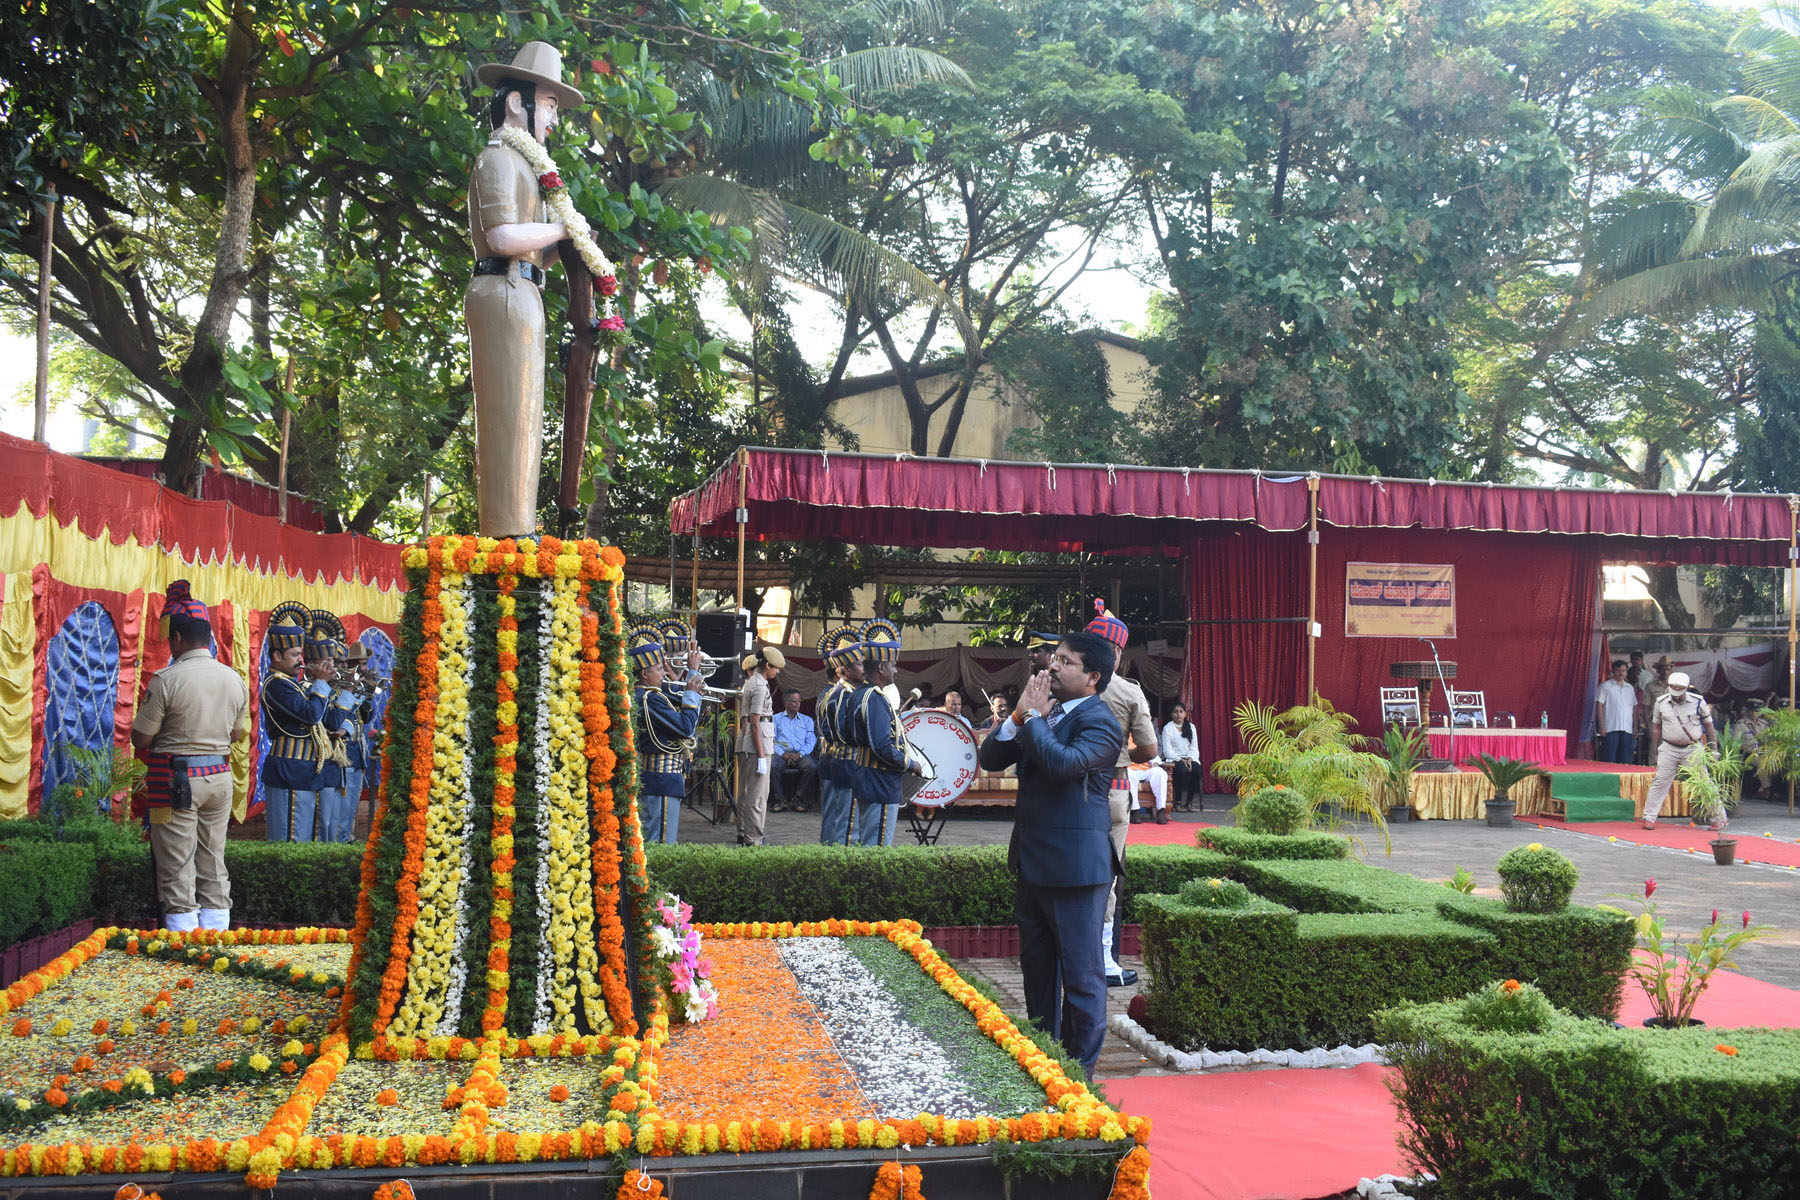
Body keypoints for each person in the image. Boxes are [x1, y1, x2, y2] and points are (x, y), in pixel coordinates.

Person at [976, 631, 1123, 1080]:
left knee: (1082, 979)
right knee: (1038, 974)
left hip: (1077, 870)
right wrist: (1019, 716)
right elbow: (992, 758)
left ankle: (1078, 1079)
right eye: (1053, 658)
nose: (1052, 667)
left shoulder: (1101, 722)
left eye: (1066, 662)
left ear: (1093, 677)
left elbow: (1062, 765)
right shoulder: (1046, 712)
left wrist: (1036, 720)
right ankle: (1043, 1062)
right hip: (1033, 862)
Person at [466, 42, 586, 537]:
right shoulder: (498, 159)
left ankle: (520, 524)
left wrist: (573, 242)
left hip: (525, 293)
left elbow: (532, 251)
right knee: (508, 417)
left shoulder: (528, 169)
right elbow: (501, 238)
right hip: (502, 291)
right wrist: (562, 231)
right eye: (551, 104)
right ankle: (506, 531)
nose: (554, 117)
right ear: (518, 103)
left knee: (527, 417)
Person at [131, 582, 250, 932]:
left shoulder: (166, 679)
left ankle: (183, 938)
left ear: (178, 638)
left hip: (178, 780)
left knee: (176, 861)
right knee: (213, 857)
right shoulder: (233, 678)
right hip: (219, 778)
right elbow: (238, 733)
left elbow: (141, 738)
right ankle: (216, 932)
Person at [1083, 602, 1159, 990]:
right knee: (1107, 877)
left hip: (1069, 788)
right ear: (1116, 651)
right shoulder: (1127, 691)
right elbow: (1149, 751)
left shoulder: (1068, 682)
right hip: (1112, 787)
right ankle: (1104, 962)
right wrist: (1118, 754)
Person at [846, 619, 924, 846]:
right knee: (877, 846)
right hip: (879, 780)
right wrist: (910, 764)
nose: (896, 669)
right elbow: (881, 745)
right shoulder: (875, 698)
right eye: (892, 665)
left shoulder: (859, 693)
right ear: (881, 667)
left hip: (867, 776)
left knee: (869, 841)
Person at [260, 612, 332, 842]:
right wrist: (320, 682)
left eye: (300, 654)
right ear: (277, 655)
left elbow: (325, 717)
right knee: (289, 837)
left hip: (304, 769)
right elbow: (311, 714)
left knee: (305, 837)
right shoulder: (276, 685)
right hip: (289, 768)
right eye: (295, 655)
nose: (301, 660)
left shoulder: (294, 684)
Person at [630, 623, 704, 844]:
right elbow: (685, 727)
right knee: (661, 843)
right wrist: (691, 692)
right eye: (659, 669)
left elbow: (673, 699)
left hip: (662, 780)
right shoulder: (648, 698)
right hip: (661, 781)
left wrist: (691, 677)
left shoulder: (652, 695)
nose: (664, 673)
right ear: (645, 673)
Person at [1643, 671, 1719, 830]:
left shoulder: (1698, 702)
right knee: (1660, 781)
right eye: (1673, 690)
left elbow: (1710, 727)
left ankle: (1718, 818)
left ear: (1685, 688)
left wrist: (1713, 749)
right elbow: (1656, 728)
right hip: (1669, 747)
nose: (1676, 695)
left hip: (1692, 748)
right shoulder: (1661, 702)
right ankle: (1649, 818)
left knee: (1704, 782)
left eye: (1679, 691)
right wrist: (1656, 750)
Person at [815, 626, 863, 844]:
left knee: (835, 812)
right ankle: (830, 852)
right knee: (842, 814)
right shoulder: (838, 694)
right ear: (841, 670)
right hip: (839, 758)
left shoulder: (832, 693)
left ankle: (828, 848)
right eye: (859, 664)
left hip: (832, 757)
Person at [733, 645, 785, 846]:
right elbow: (755, 722)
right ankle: (754, 838)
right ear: (768, 665)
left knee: (747, 792)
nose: (777, 672)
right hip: (758, 744)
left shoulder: (752, 682)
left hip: (753, 743)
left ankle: (744, 831)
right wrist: (762, 756)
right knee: (758, 796)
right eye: (776, 668)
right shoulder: (760, 686)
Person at [771, 689, 819, 812]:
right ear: (785, 703)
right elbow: (772, 740)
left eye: (799, 701)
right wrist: (783, 754)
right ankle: (779, 800)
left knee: (812, 767)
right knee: (772, 765)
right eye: (793, 701)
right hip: (781, 754)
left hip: (800, 754)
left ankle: (798, 798)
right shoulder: (775, 719)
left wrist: (800, 754)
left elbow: (810, 741)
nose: (797, 703)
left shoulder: (807, 720)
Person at [1594, 659, 1639, 765]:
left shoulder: (1630, 688)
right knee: (1609, 759)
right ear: (1613, 671)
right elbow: (1599, 706)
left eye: (1623, 670)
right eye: (1618, 670)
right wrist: (1601, 725)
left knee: (1625, 760)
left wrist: (1635, 726)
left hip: (1627, 728)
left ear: (1626, 672)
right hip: (1610, 728)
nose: (1621, 673)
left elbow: (1634, 708)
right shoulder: (1605, 686)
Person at [1160, 701, 1203, 812]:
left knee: (1197, 771)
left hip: (1189, 757)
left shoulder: (1191, 727)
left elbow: (1194, 747)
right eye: (1175, 712)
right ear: (1171, 714)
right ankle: (1177, 802)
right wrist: (1181, 760)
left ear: (1185, 713)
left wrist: (1189, 759)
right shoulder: (1167, 728)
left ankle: (1189, 802)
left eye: (1181, 711)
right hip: (1174, 758)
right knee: (1180, 771)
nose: (1178, 714)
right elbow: (1167, 750)